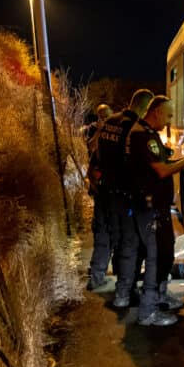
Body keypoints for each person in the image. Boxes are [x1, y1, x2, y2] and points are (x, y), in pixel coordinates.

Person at [126, 94, 184, 326]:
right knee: (155, 257)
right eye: (168, 115)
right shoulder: (143, 136)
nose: (169, 121)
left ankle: (159, 297)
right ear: (157, 111)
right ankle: (148, 312)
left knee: (164, 253)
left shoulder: (147, 134)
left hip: (155, 207)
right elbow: (161, 170)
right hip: (149, 208)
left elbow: (162, 162)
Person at [95, 89, 153, 308]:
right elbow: (134, 161)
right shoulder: (132, 127)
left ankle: (123, 285)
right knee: (131, 243)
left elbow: (97, 155)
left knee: (118, 240)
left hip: (108, 191)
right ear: (144, 107)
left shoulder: (109, 121)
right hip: (127, 193)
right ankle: (126, 291)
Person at [85, 103, 116, 290]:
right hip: (103, 192)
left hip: (113, 192)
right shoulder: (93, 131)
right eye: (101, 116)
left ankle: (103, 271)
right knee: (102, 232)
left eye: (107, 115)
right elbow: (90, 149)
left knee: (113, 233)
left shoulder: (115, 133)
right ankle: (97, 273)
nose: (103, 119)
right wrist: (99, 131)